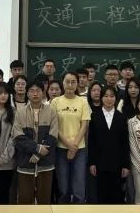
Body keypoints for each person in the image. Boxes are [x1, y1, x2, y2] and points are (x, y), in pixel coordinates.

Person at [13, 81, 58, 204]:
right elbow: (18, 137)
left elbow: (53, 135)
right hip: (25, 161)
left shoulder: (51, 111)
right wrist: (37, 148)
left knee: (44, 199)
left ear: (43, 93)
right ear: (27, 93)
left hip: (46, 162)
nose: (35, 94)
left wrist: (38, 154)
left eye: (38, 90)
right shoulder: (20, 112)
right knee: (24, 198)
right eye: (32, 91)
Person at [51, 71, 90, 203]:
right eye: (67, 81)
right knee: (63, 184)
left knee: (79, 183)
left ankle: (78, 208)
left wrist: (74, 147)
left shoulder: (82, 102)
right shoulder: (56, 101)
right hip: (61, 148)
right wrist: (68, 145)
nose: (70, 85)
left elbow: (84, 125)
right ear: (62, 83)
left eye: (73, 82)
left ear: (77, 84)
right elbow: (54, 126)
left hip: (80, 149)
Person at [88, 85, 130, 204]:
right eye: (106, 96)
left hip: (117, 164)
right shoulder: (94, 116)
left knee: (116, 195)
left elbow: (125, 143)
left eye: (112, 96)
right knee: (101, 195)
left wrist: (125, 165)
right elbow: (91, 141)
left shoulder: (121, 117)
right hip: (100, 163)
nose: (109, 99)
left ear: (116, 98)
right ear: (101, 98)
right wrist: (92, 163)